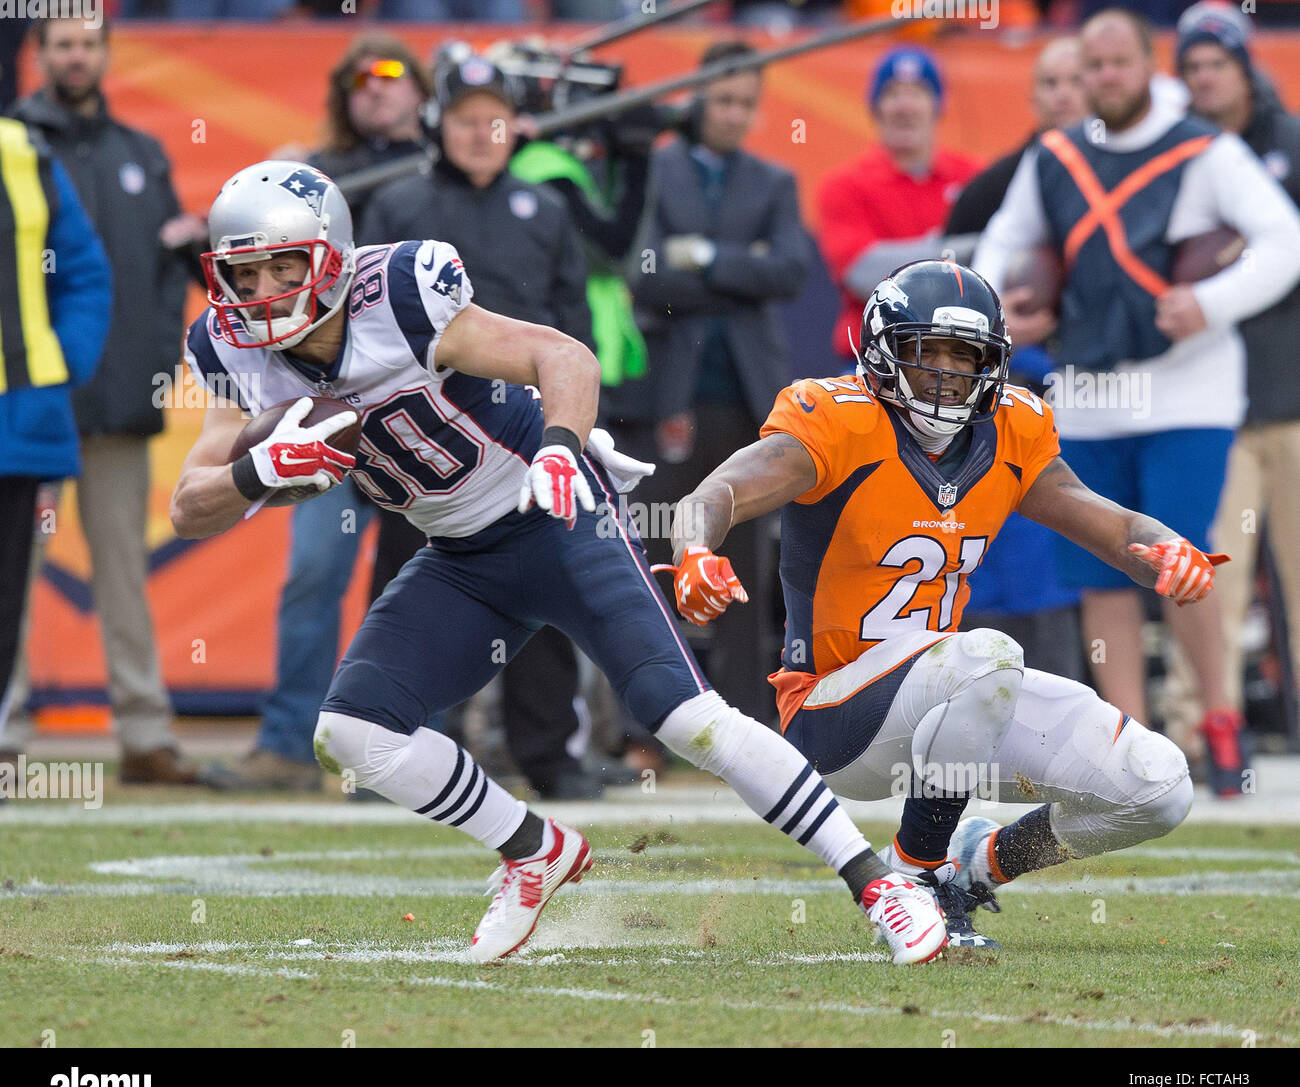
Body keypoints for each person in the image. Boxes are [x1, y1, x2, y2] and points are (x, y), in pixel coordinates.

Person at [171, 160, 947, 964]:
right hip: (461, 555)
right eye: (243, 271)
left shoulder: (400, 293)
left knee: (685, 718)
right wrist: (254, 471)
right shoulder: (227, 347)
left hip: (555, 516)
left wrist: (559, 451)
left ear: (329, 257)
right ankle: (533, 849)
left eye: (281, 265)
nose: (261, 289)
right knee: (350, 732)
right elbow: (190, 504)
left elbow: (564, 357)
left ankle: (880, 879)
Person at [665, 260, 1221, 950]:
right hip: (836, 712)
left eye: (969, 356)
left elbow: (1106, 522)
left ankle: (977, 867)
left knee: (1158, 785)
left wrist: (1167, 547)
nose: (950, 374)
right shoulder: (839, 419)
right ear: (882, 351)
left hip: (956, 708)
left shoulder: (1014, 430)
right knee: (989, 655)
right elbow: (712, 495)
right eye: (929, 352)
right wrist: (693, 550)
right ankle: (915, 876)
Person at [973, 8, 1300, 796]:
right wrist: (1002, 311)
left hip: (1187, 393)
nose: (1105, 78)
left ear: (1145, 64)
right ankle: (1130, 741)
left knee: (1181, 562)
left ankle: (1219, 717)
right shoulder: (1054, 154)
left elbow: (1284, 238)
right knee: (1101, 575)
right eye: (1093, 66)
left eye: (1119, 63)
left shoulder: (1204, 148)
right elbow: (999, 244)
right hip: (1087, 396)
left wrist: (1212, 301)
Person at [361, 54, 609, 801]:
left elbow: (572, 323)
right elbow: (361, 323)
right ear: (439, 124)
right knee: (412, 588)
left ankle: (550, 756)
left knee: (542, 582)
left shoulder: (546, 207)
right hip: (419, 436)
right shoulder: (399, 206)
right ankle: (400, 748)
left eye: (494, 119)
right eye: (467, 119)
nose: (482, 133)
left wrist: (576, 421)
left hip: (522, 434)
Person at [208, 33, 434, 791]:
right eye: (360, 79)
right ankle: (284, 741)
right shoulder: (306, 178)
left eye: (394, 75)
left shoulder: (456, 168)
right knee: (313, 572)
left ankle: (401, 745)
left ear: (421, 90)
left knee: (426, 583)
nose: (377, 89)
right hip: (321, 407)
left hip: (417, 407)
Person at [3, 16, 201, 785]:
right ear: (38, 54)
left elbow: (160, 281)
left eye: (88, 42)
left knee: (123, 569)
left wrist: (152, 369)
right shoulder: (14, 144)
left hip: (116, 404)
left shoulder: (140, 155)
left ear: (106, 53)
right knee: (7, 574)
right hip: (22, 403)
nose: (76, 55)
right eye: (62, 43)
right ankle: (5, 730)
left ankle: (145, 733)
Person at [629, 40, 813, 727]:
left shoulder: (773, 180)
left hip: (746, 392)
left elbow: (792, 270)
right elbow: (644, 277)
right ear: (699, 94)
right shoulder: (656, 167)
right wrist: (741, 270)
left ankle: (742, 719)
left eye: (746, 102)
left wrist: (702, 258)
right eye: (724, 98)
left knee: (746, 557)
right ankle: (650, 720)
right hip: (666, 392)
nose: (734, 113)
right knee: (653, 551)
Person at [1163, 5, 1300, 756]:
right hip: (1214, 405)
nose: (1205, 77)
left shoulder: (1290, 146)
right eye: (1192, 67)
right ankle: (1197, 726)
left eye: (1216, 62)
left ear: (1245, 66)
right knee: (1211, 567)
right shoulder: (1181, 156)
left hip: (1291, 397)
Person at [944, 36, 1089, 683]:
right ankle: (990, 705)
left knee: (1102, 554)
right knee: (1022, 558)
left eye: (1074, 80)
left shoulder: (1145, 179)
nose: (1063, 94)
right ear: (1032, 97)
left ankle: (1112, 717)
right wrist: (1007, 325)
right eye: (1050, 83)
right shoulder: (989, 191)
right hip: (1020, 388)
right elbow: (952, 293)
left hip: (1112, 392)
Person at [0, 116, 112, 793]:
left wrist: (56, 363)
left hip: (16, 423)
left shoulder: (22, 152)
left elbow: (84, 272)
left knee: (5, 597)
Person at [817, 47, 980, 371]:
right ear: (875, 107)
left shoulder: (974, 177)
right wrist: (964, 249)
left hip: (963, 356)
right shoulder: (844, 185)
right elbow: (862, 275)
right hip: (877, 357)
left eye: (918, 92)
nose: (905, 106)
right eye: (892, 93)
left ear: (939, 105)